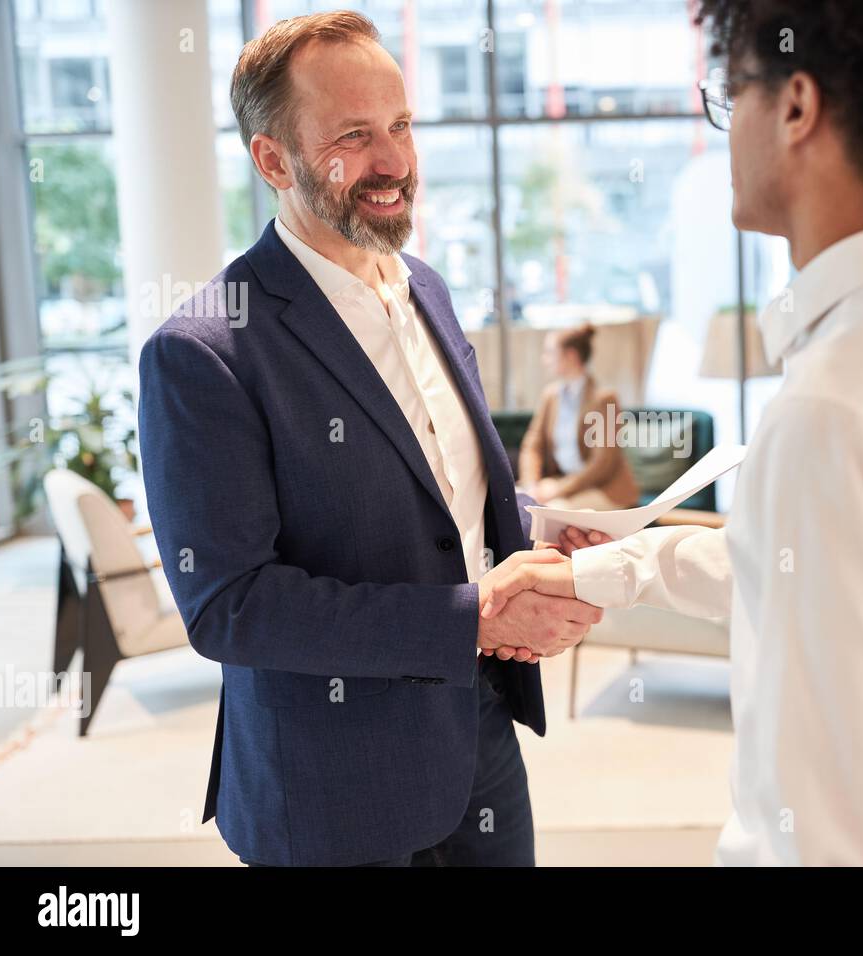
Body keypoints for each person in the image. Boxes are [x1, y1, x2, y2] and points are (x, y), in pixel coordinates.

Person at [482, 0, 863, 865]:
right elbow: (824, 572)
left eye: (730, 94)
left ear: (795, 106)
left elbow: (819, 845)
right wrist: (606, 571)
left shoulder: (835, 412)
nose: (725, 129)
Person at [137, 11, 600, 868]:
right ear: (273, 159)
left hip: (479, 737)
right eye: (355, 135)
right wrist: (472, 616)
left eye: (400, 127)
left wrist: (534, 525)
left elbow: (436, 493)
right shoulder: (203, 352)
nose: (393, 162)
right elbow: (229, 606)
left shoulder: (425, 287)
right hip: (330, 788)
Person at [519, 322, 641, 511]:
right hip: (565, 486)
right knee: (513, 501)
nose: (544, 359)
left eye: (550, 353)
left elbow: (601, 465)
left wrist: (558, 490)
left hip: (603, 490)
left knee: (552, 510)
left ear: (571, 356)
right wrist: (531, 486)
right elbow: (532, 445)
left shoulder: (604, 399)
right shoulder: (550, 396)